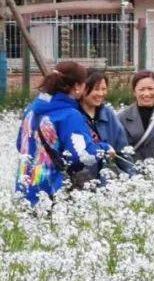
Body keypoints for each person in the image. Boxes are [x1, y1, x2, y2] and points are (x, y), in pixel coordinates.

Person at [15, 61, 115, 205]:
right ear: (77, 87)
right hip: (51, 192)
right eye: (84, 84)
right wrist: (105, 149)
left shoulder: (32, 110)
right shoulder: (69, 115)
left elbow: (20, 145)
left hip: (24, 189)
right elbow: (83, 156)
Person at [78, 70, 135, 178]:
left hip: (105, 181)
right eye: (96, 89)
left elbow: (122, 150)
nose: (101, 94)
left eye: (104, 89)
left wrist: (134, 177)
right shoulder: (74, 115)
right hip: (81, 179)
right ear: (83, 89)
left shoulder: (108, 114)